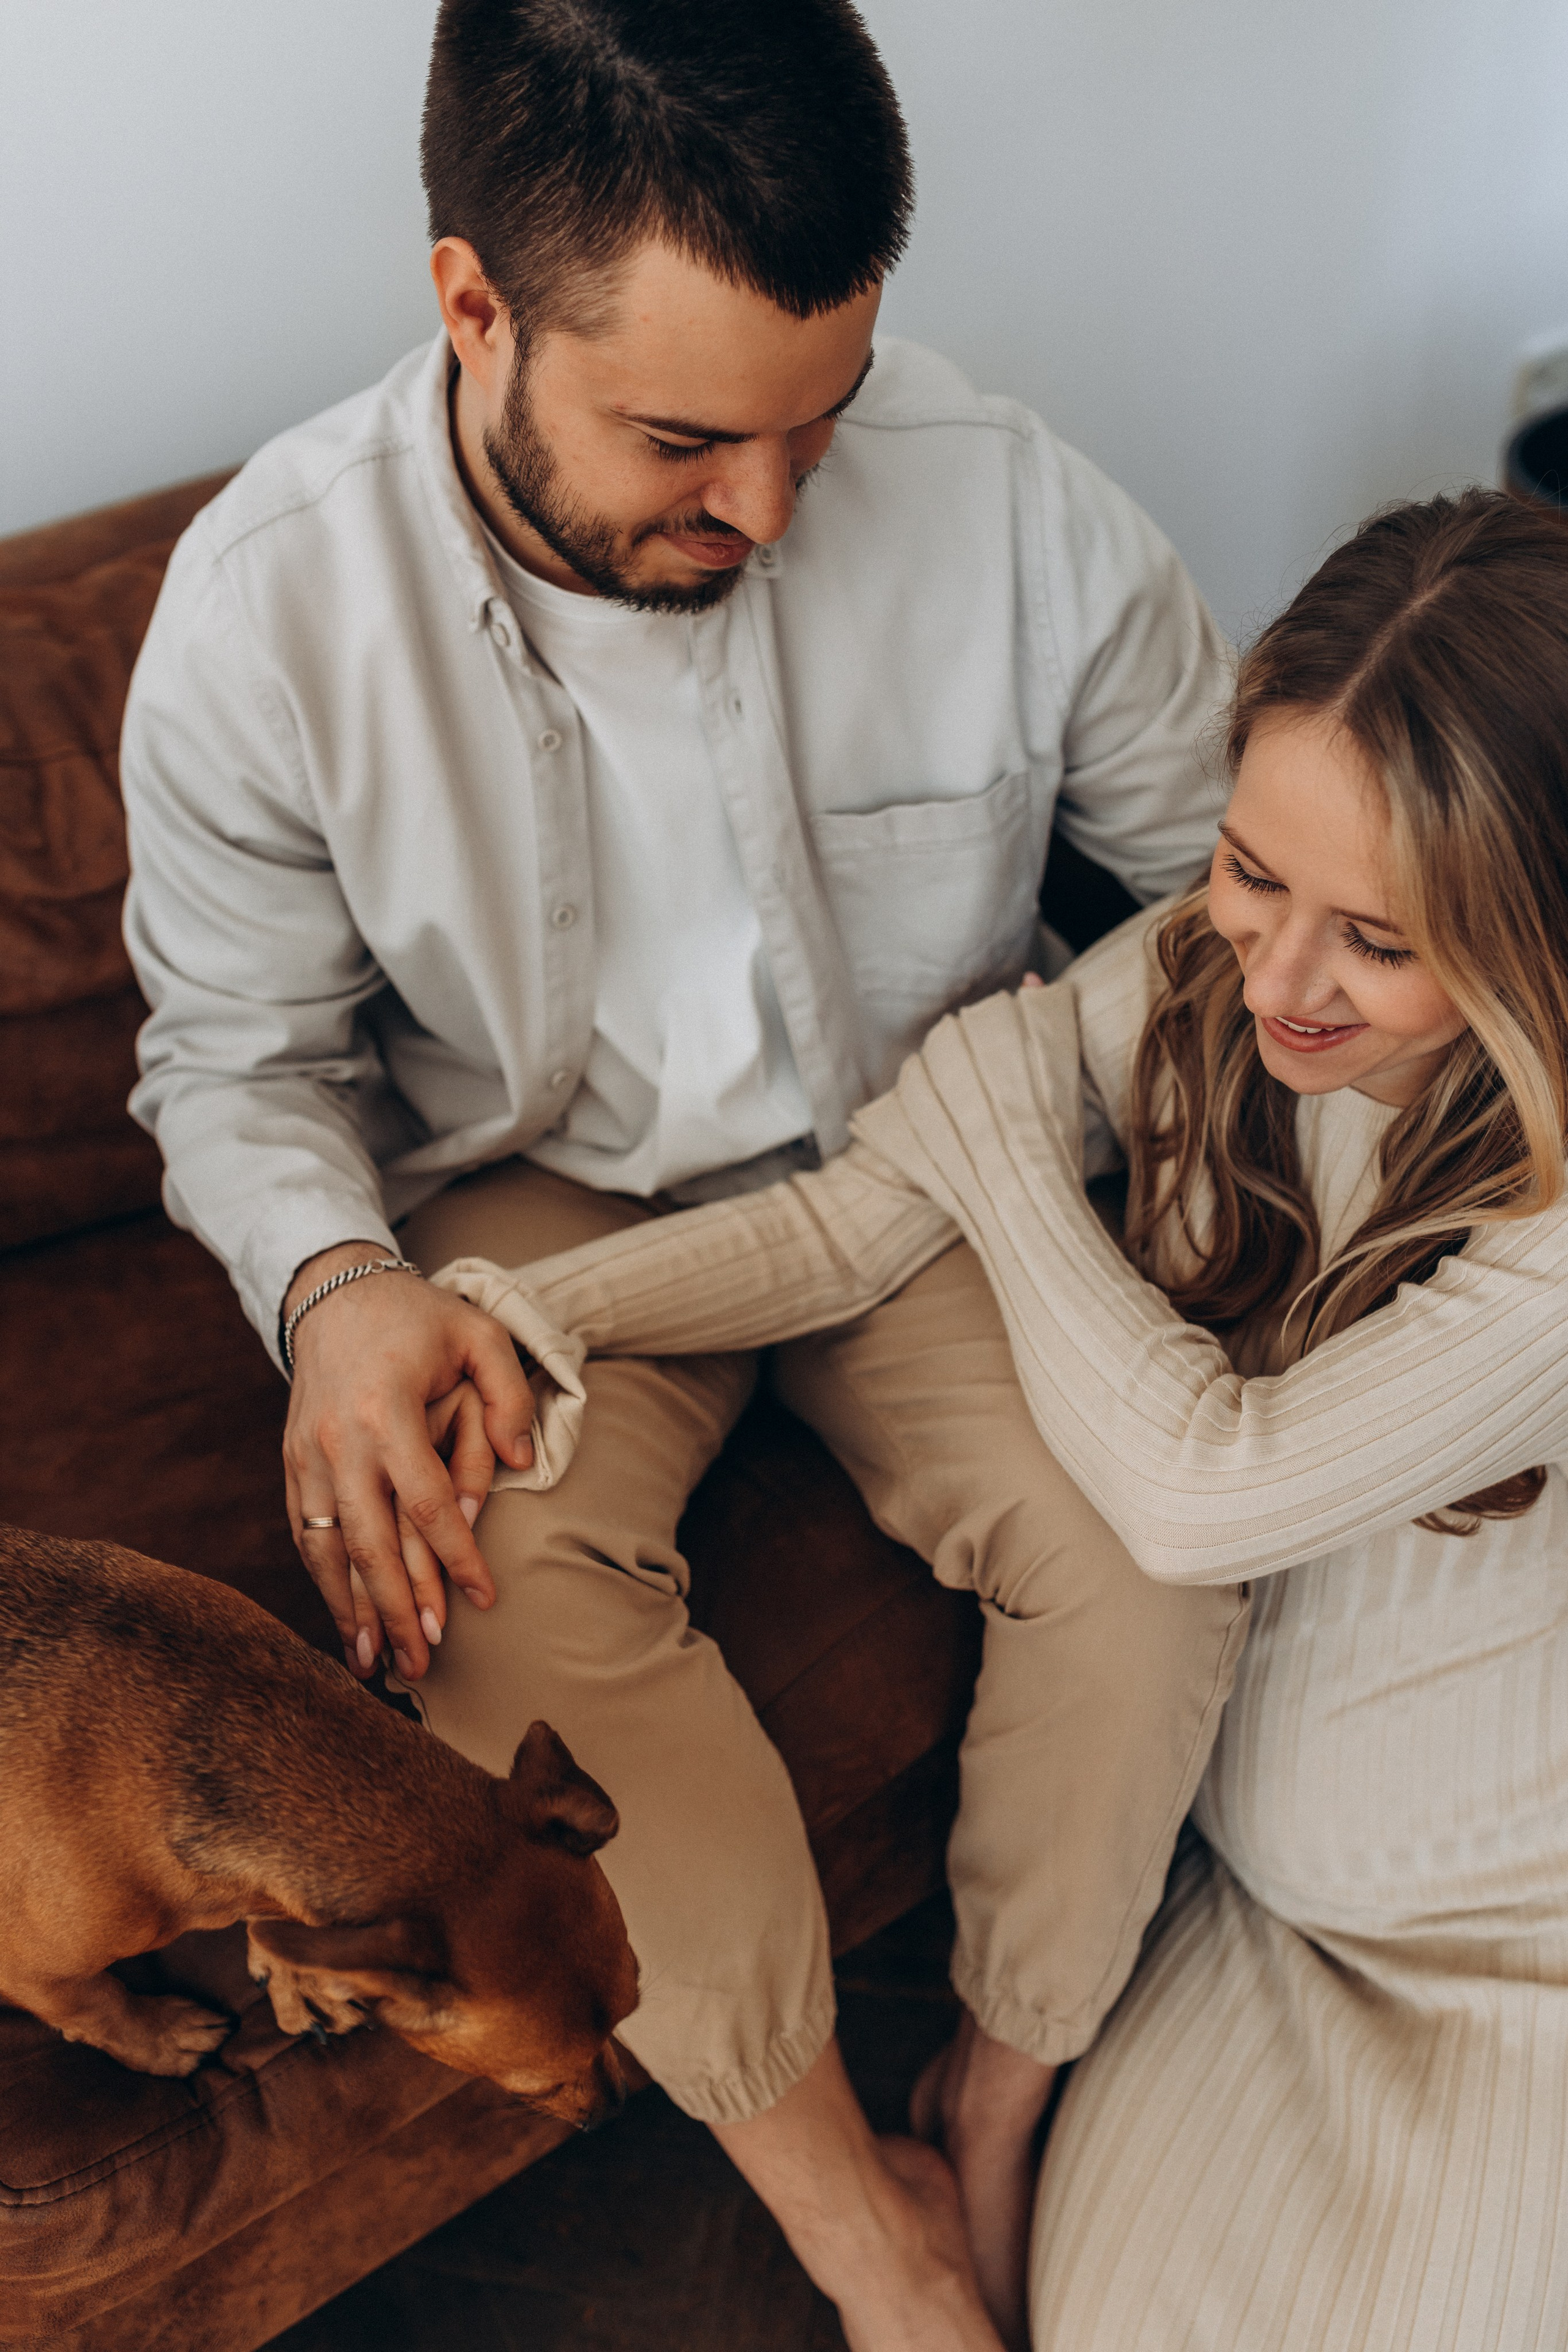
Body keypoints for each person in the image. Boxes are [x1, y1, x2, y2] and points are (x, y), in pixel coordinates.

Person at [119, 4, 1239, 2345]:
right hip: (537, 1222)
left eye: (823, 423)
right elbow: (235, 1059)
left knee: (1165, 1543)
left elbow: (1212, 917)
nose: (772, 511)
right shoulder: (266, 610)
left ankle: (1007, 2107)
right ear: (473, 308)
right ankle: (865, 2226)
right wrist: (333, 1289)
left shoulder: (1020, 507)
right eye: (686, 440)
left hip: (926, 1162)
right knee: (488, 1637)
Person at [440, 486, 1568, 2349]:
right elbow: (849, 1223)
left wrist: (1013, 1170)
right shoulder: (1209, 989)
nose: (1278, 976)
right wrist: (528, 1308)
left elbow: (1208, 1497)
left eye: (1378, 937)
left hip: (1519, 1953)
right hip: (1254, 1928)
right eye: (1250, 867)